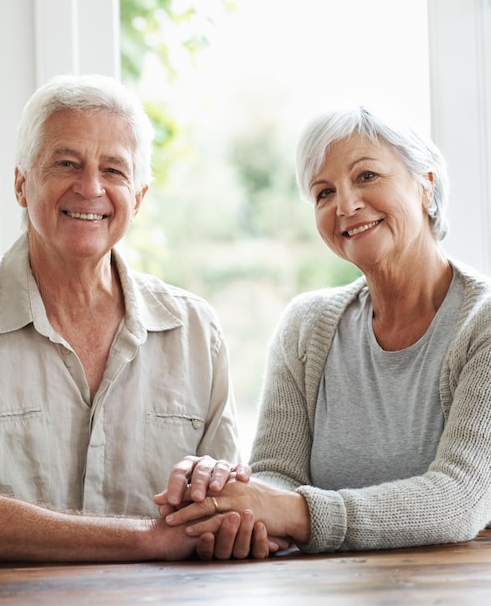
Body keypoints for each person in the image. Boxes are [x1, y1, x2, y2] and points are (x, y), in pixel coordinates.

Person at [0, 73, 265, 562]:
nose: (90, 187)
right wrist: (149, 537)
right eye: (66, 163)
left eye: (114, 170)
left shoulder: (194, 331)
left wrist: (230, 519)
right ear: (21, 184)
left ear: (138, 199)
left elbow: (226, 508)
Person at [156, 104, 491, 554]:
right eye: (323, 192)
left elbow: (461, 499)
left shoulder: (481, 321)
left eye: (366, 176)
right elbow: (278, 474)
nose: (346, 205)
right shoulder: (306, 325)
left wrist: (294, 514)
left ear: (426, 184)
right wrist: (237, 507)